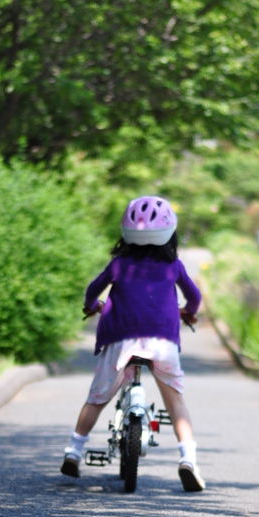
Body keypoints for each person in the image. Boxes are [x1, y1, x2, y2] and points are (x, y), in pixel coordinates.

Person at [61, 195, 205, 491]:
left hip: (120, 340)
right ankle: (188, 459)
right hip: (162, 340)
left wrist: (92, 305)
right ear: (170, 235)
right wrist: (188, 313)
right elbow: (195, 298)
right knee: (175, 401)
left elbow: (92, 291)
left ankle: (74, 452)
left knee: (97, 398)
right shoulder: (173, 266)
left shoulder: (119, 264)